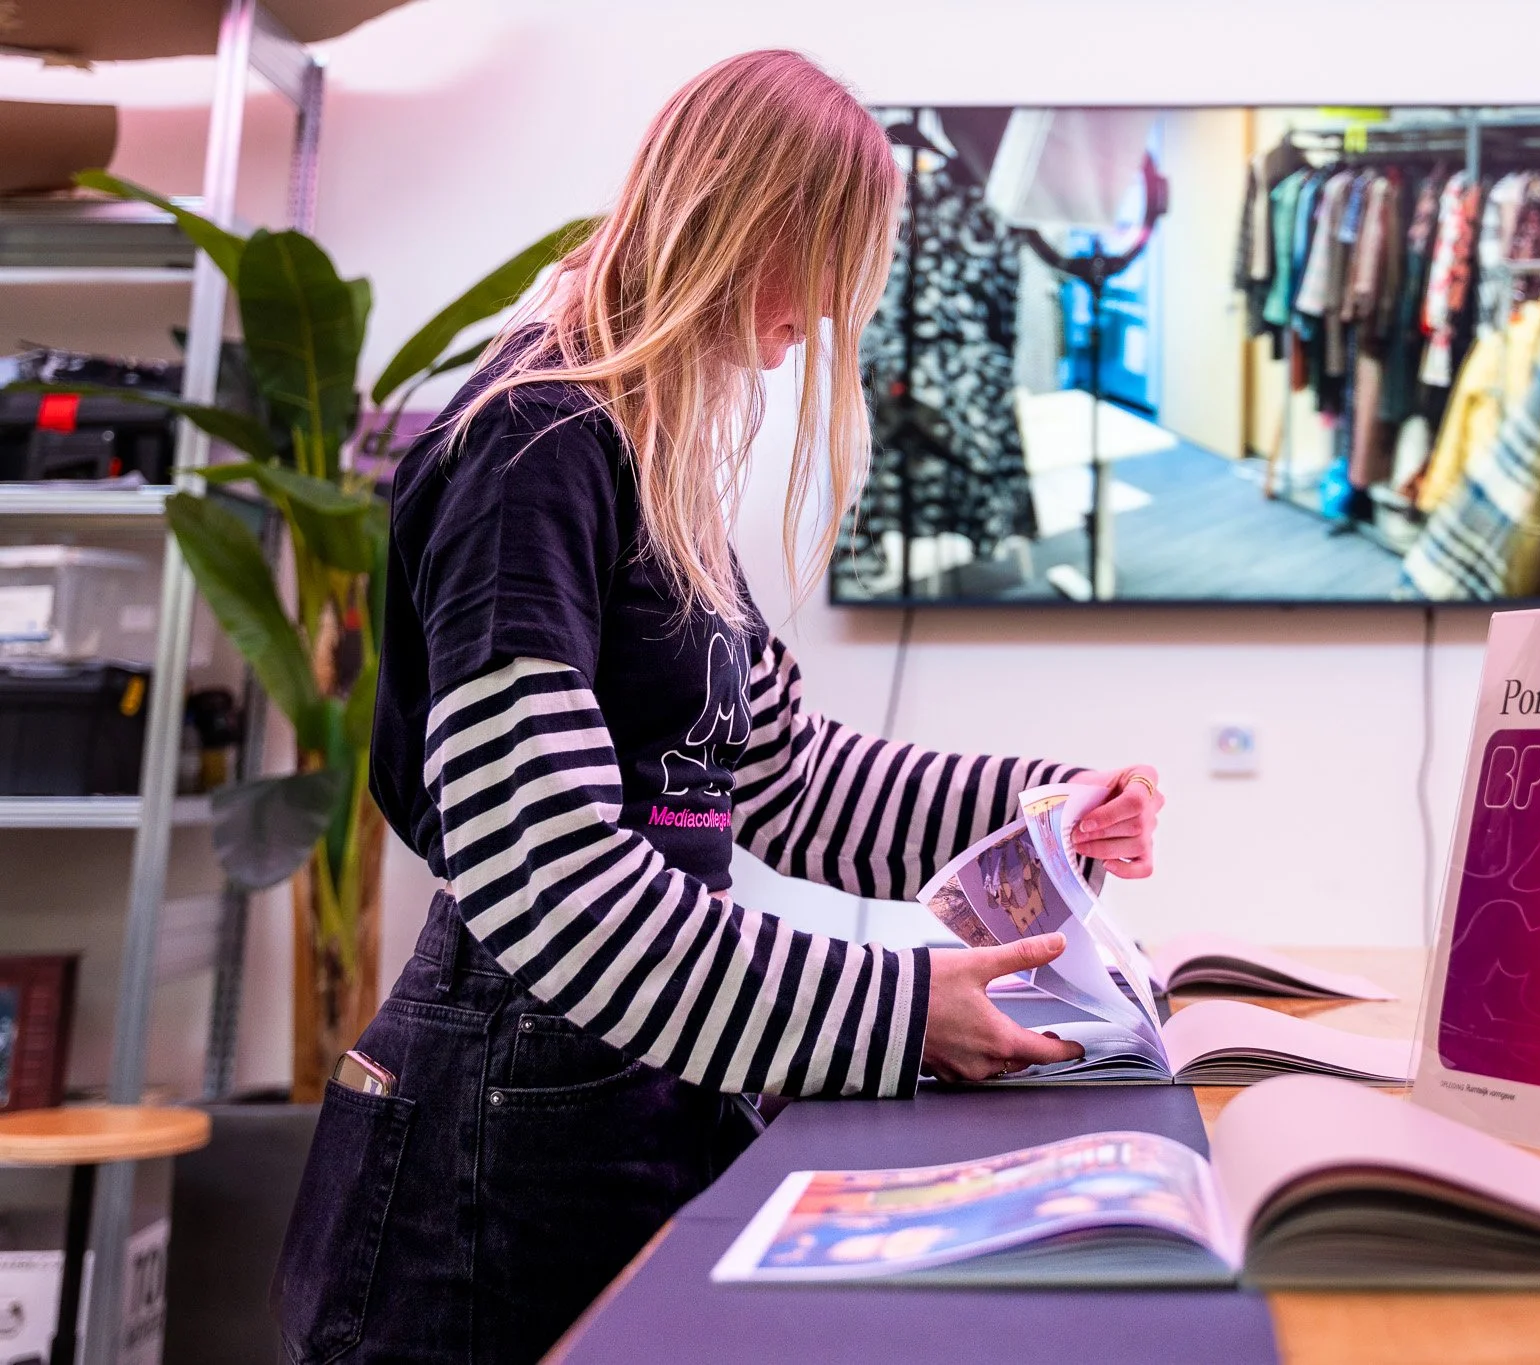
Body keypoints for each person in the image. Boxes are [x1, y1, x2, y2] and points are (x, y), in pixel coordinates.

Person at [272, 50, 1165, 1365]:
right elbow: (551, 882)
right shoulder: (532, 448)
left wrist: (1039, 800)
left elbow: (775, 774)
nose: (827, 310)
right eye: (821, 255)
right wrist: (897, 1009)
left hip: (616, 1087)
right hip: (495, 1136)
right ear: (739, 221)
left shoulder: (645, 446)